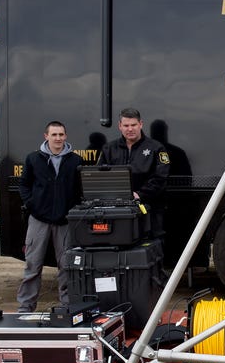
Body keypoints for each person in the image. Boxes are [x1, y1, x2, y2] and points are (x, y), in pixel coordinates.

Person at [17, 121, 83, 312]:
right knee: (33, 265)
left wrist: (72, 210)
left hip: (64, 222)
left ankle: (67, 305)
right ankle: (25, 307)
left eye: (61, 134)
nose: (58, 138)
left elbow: (80, 190)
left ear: (66, 136)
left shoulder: (75, 161)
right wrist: (32, 204)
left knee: (66, 267)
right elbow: (24, 185)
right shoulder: (33, 159)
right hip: (38, 220)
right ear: (46, 136)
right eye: (54, 135)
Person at [98, 108, 170, 236]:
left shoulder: (156, 148)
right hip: (117, 211)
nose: (130, 129)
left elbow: (160, 177)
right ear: (120, 126)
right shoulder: (109, 148)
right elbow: (101, 176)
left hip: (149, 210)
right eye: (126, 125)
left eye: (133, 125)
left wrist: (139, 194)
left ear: (140, 124)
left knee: (150, 247)